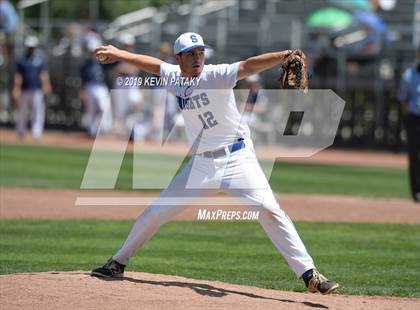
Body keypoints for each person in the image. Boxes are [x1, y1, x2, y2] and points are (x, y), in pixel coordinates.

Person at [91, 32, 339, 294]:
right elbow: (151, 63)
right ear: (179, 59)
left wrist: (284, 55)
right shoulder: (173, 75)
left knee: (269, 210)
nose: (197, 58)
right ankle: (117, 263)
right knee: (156, 213)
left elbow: (248, 65)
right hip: (201, 165)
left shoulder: (216, 74)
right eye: (190, 54)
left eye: (200, 52)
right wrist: (118, 54)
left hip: (238, 158)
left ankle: (310, 275)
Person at [12, 36, 51, 140]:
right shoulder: (21, 60)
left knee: (38, 112)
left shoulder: (40, 60)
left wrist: (46, 85)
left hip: (37, 90)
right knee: (22, 112)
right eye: (30, 47)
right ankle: (21, 132)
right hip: (24, 90)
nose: (31, 49)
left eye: (33, 47)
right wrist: (16, 88)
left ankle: (36, 133)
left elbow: (43, 74)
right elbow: (18, 76)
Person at [399, 48, 420, 203]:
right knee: (414, 155)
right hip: (414, 118)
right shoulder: (409, 75)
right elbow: (404, 99)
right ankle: (416, 191)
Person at [79, 40, 112, 137]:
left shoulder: (103, 62)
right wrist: (82, 91)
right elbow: (83, 79)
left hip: (101, 86)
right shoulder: (85, 64)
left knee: (104, 107)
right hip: (89, 86)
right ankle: (92, 130)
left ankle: (105, 128)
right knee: (91, 110)